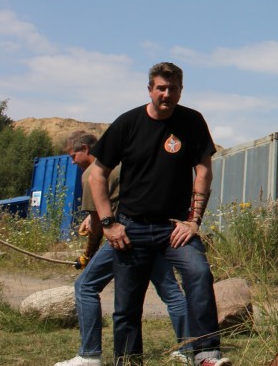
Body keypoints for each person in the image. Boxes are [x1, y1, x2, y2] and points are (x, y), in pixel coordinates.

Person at [90, 63, 230, 366]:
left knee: (199, 274)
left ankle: (206, 354)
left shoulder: (192, 121)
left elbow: (204, 171)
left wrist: (193, 221)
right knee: (126, 305)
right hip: (131, 227)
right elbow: (97, 174)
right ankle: (128, 361)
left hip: (174, 228)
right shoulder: (127, 123)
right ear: (150, 90)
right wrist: (108, 224)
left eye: (172, 89)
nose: (166, 94)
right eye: (161, 88)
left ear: (181, 90)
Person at [54, 130, 191, 366]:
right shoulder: (120, 165)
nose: (73, 161)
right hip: (151, 233)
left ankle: (89, 355)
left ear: (85, 149)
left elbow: (98, 225)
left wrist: (87, 255)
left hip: (124, 238)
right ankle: (190, 349)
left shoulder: (92, 173)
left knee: (85, 286)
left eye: (73, 156)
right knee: (171, 293)